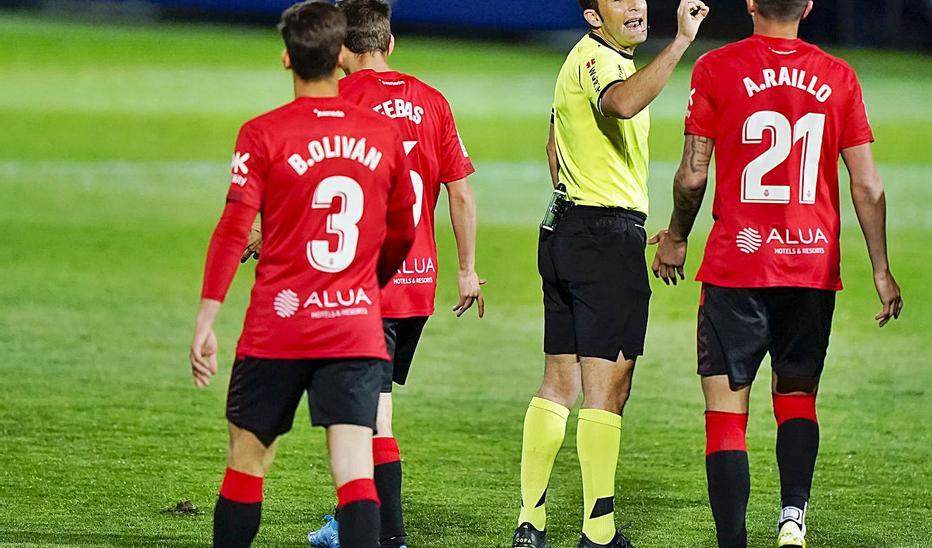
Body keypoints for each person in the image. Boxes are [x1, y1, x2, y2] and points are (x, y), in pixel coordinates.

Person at [649, 0, 903, 544]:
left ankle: (733, 541)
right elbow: (869, 186)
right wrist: (881, 269)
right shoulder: (839, 76)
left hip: (737, 265)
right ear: (808, 7)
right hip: (811, 265)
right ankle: (793, 519)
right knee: (796, 398)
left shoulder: (716, 68)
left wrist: (674, 238)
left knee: (725, 412)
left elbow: (694, 177)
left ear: (749, 4)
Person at [188, 2, 416, 547]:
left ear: (286, 58)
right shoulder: (383, 134)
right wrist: (365, 282)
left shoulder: (261, 133)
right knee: (355, 473)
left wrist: (206, 317)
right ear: (341, 56)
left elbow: (232, 229)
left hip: (278, 327)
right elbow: (405, 229)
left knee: (247, 464)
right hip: (354, 325)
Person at [511, 1, 708, 547]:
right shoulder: (598, 60)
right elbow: (619, 104)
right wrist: (680, 43)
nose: (636, 7)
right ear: (594, 18)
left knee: (559, 380)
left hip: (567, 229)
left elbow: (555, 148)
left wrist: (595, 207)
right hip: (599, 238)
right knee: (607, 389)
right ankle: (598, 534)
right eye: (619, 1)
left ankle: (531, 521)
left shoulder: (585, 59)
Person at [296, 1, 484, 546]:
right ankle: (358, 517)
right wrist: (467, 270)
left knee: (367, 419)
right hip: (418, 283)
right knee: (371, 407)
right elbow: (461, 191)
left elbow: (315, 186)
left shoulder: (336, 102)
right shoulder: (432, 101)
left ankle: (381, 532)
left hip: (362, 286)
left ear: (339, 49)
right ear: (391, 43)